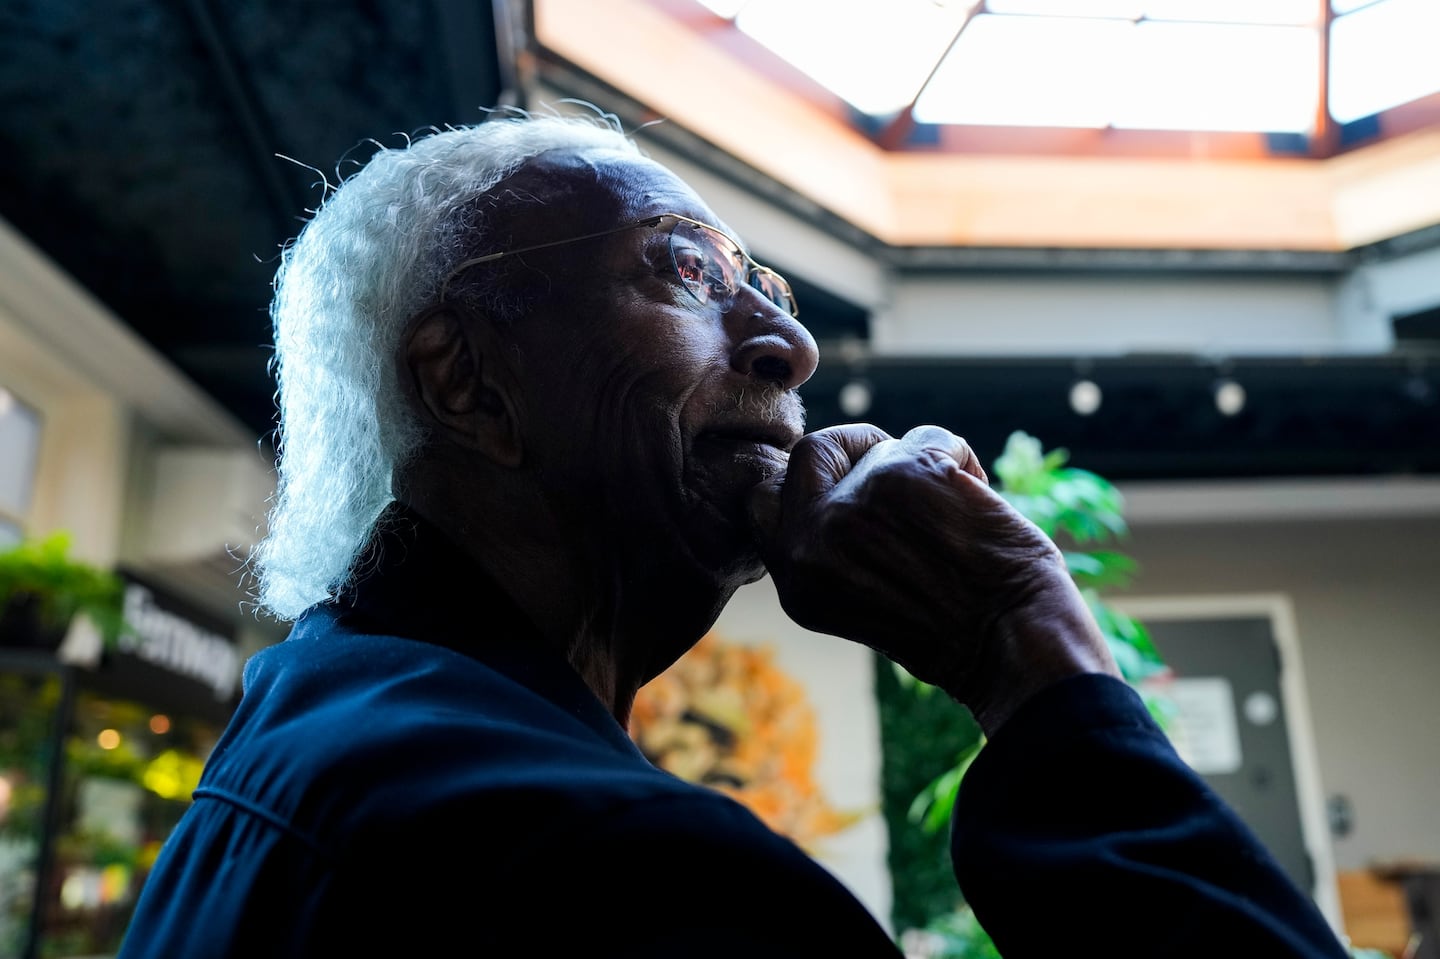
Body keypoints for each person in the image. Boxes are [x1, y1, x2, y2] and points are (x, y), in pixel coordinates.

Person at [116, 110, 1350, 958]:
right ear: (470, 384)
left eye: (776, 295)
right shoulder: (596, 864)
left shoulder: (298, 741)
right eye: (689, 272)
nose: (791, 348)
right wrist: (1030, 648)